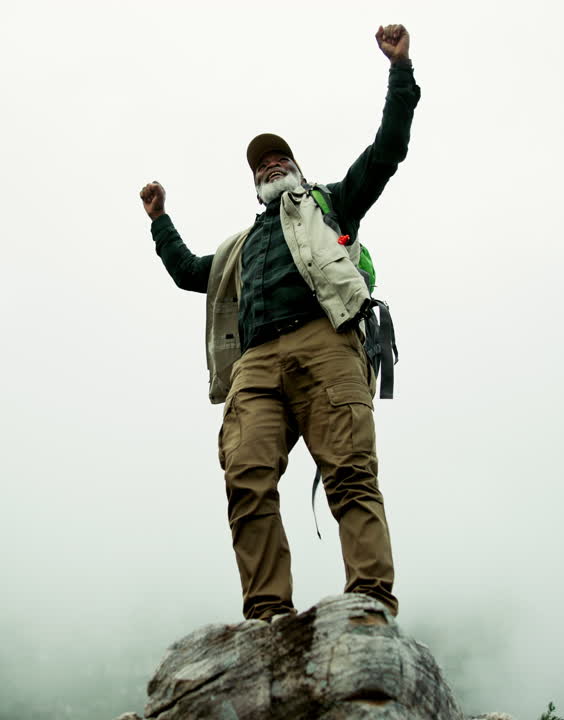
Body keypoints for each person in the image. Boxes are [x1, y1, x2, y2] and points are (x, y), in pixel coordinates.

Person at [138, 24, 419, 622]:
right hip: (256, 362)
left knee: (349, 472)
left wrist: (400, 70)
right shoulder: (239, 247)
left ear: (295, 167)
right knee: (246, 479)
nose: (270, 165)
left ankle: (369, 600)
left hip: (326, 339)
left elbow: (387, 150)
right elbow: (192, 272)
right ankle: (267, 615)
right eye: (261, 165)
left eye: (278, 158)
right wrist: (160, 220)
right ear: (255, 182)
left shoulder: (329, 204)